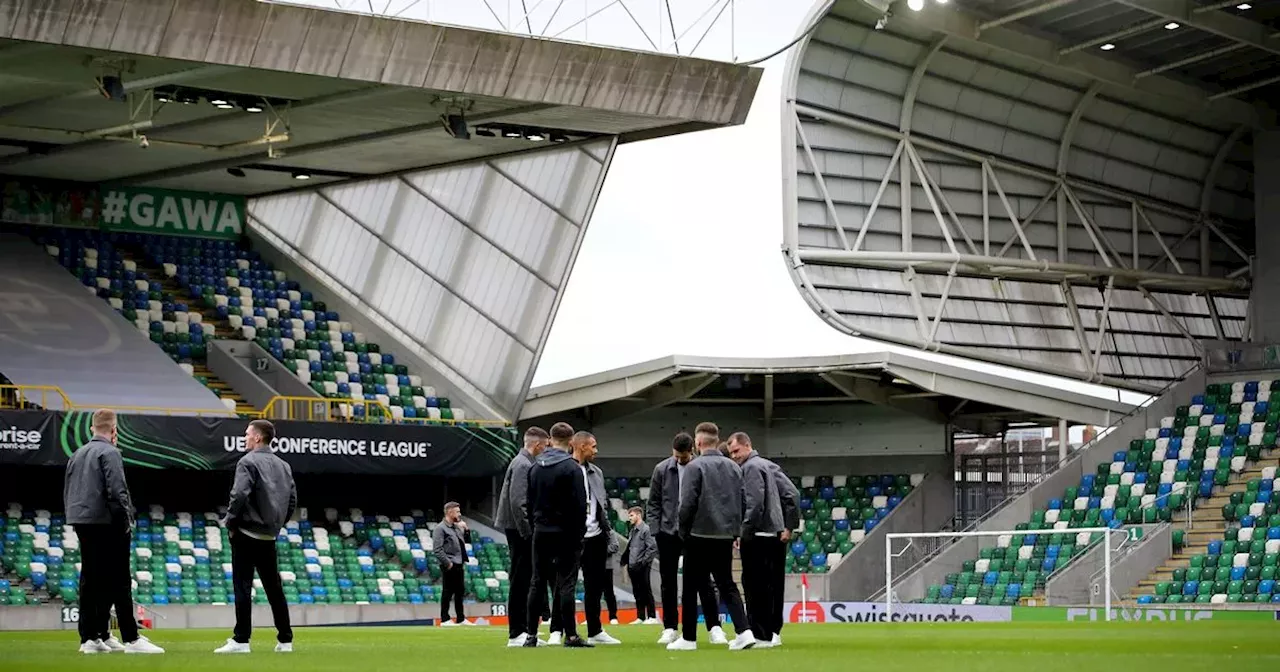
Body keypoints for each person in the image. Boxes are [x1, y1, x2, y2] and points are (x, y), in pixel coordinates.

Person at [63, 409, 164, 655]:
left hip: (82, 520)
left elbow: (69, 489)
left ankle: (93, 636)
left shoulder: (77, 453)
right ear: (114, 430)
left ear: (92, 429)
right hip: (108, 521)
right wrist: (125, 520)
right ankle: (131, 637)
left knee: (91, 579)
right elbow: (117, 492)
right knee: (119, 579)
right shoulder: (110, 452)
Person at [670, 422, 755, 651]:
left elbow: (686, 503)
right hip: (724, 534)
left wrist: (683, 532)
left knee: (690, 586)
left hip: (698, 534)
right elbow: (744, 501)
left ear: (697, 443)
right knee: (727, 583)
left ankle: (688, 638)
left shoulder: (694, 467)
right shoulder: (734, 468)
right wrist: (735, 531)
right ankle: (744, 631)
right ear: (717, 441)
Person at [215, 419, 297, 654]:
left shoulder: (247, 462)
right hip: (269, 536)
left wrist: (230, 521)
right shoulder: (284, 465)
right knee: (274, 589)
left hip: (247, 533)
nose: (245, 436)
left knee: (242, 587)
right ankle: (285, 640)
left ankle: (241, 640)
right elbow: (292, 500)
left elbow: (239, 494)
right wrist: (278, 524)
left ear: (258, 438)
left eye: (248, 433)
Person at [647, 432, 727, 646]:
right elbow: (653, 502)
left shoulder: (701, 468)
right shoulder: (662, 469)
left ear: (692, 450)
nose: (679, 460)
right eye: (676, 456)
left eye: (682, 456)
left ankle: (714, 627)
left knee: (705, 581)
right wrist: (656, 530)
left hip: (695, 532)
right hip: (668, 533)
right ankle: (670, 627)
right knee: (668, 582)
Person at [726, 431, 798, 649]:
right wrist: (787, 525)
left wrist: (742, 532)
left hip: (759, 534)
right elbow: (791, 494)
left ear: (748, 446)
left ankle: (761, 634)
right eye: (731, 453)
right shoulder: (766, 466)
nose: (734, 456)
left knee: (756, 585)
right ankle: (771, 631)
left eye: (736, 451)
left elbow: (755, 504)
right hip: (773, 534)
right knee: (771, 585)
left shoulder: (751, 468)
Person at [523, 422, 591, 648]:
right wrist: (579, 535)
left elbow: (529, 501)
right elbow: (580, 506)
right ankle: (570, 635)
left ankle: (531, 635)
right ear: (571, 442)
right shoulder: (572, 468)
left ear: (550, 440)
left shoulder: (535, 467)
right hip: (566, 533)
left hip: (541, 531)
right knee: (566, 583)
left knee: (537, 582)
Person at [495, 426, 549, 647]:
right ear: (536, 445)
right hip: (519, 531)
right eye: (544, 446)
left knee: (524, 580)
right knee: (520, 581)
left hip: (518, 529)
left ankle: (524, 630)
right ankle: (517, 632)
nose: (545, 450)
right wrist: (528, 533)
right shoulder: (523, 464)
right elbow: (518, 502)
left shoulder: (523, 463)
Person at [574, 431, 622, 645]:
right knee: (564, 585)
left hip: (595, 537)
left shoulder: (597, 472)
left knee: (595, 587)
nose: (596, 450)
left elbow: (600, 505)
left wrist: (608, 532)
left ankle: (595, 630)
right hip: (572, 537)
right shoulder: (567, 470)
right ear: (582, 446)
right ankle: (558, 629)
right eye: (593, 446)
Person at [432, 502, 471, 627]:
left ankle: (461, 618)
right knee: (448, 592)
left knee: (460, 591)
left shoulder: (456, 527)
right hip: (450, 563)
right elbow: (437, 549)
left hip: (459, 563)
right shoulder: (440, 528)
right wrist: (448, 563)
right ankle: (445, 619)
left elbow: (466, 542)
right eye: (457, 511)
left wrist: (466, 530)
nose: (459, 514)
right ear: (450, 512)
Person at [624, 506, 658, 624]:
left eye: (631, 515)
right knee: (637, 592)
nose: (630, 518)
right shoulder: (633, 530)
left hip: (642, 566)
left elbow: (652, 547)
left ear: (638, 515)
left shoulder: (646, 529)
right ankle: (641, 616)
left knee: (646, 591)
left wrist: (643, 562)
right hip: (633, 565)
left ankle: (652, 616)